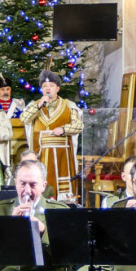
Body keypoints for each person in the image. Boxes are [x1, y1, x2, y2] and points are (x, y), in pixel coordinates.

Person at [20, 69, 83, 200]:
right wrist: (38, 105)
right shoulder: (35, 105)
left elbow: (79, 125)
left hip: (62, 156)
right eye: (44, 86)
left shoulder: (68, 105)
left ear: (57, 88)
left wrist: (64, 129)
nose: (48, 88)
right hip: (41, 154)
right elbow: (24, 119)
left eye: (51, 86)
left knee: (63, 190)